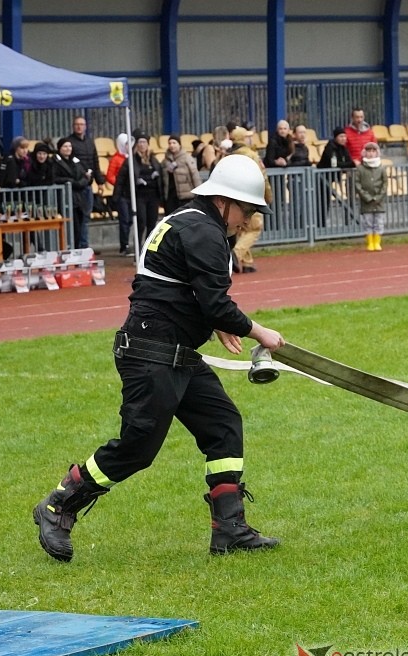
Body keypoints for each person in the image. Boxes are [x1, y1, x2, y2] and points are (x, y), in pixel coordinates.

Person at [32, 154, 284, 562]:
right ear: (224, 202)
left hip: (174, 352)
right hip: (152, 353)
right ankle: (59, 504)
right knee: (138, 446)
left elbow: (181, 291)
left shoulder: (191, 221)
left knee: (222, 425)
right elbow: (215, 303)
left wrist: (214, 319)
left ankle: (229, 528)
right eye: (247, 210)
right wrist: (258, 331)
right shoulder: (203, 230)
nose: (248, 221)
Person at [227, 127, 269, 273]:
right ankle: (236, 254)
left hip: (234, 196)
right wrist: (267, 195)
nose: (251, 139)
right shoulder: (251, 155)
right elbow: (262, 177)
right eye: (248, 137)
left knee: (243, 228)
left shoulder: (229, 156)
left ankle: (247, 263)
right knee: (255, 228)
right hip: (251, 195)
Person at [116, 132, 164, 244]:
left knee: (152, 223)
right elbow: (121, 178)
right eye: (140, 142)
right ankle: (138, 246)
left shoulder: (153, 160)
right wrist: (116, 196)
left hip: (153, 195)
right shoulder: (131, 160)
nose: (142, 145)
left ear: (148, 144)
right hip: (139, 196)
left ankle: (148, 248)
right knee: (141, 222)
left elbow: (161, 175)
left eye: (144, 142)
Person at [53, 138, 93, 248]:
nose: (68, 149)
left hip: (79, 199)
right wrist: (72, 182)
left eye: (69, 146)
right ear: (59, 148)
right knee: (72, 226)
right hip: (65, 199)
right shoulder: (55, 162)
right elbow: (55, 178)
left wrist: (83, 181)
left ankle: (77, 247)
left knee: (79, 225)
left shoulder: (76, 161)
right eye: (65, 146)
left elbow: (85, 175)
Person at [66, 116, 106, 223]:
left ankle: (84, 235)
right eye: (77, 124)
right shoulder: (69, 142)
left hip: (88, 185)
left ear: (85, 127)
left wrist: (100, 181)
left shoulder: (90, 142)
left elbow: (95, 161)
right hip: (76, 186)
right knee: (76, 217)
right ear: (73, 126)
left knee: (86, 215)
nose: (79, 127)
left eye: (81, 124)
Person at [316, 127, 355, 227]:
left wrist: (349, 164)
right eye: (341, 136)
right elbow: (335, 164)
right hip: (322, 178)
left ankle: (322, 225)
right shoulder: (330, 148)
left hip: (331, 179)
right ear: (336, 137)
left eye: (344, 136)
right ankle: (320, 225)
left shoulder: (344, 148)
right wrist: (349, 164)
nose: (343, 139)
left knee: (326, 203)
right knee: (321, 203)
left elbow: (349, 161)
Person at [355, 142, 388, 252]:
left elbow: (385, 183)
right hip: (366, 202)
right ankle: (370, 242)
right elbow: (357, 184)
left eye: (373, 151)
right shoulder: (360, 168)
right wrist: (366, 197)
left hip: (379, 202)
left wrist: (379, 197)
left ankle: (377, 242)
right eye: (368, 151)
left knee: (379, 222)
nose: (371, 153)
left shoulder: (381, 168)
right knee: (368, 222)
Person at [106, 133, 132, 255]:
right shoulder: (116, 159)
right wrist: (119, 184)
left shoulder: (132, 157)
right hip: (122, 194)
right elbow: (110, 175)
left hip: (132, 193)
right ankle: (124, 245)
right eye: (126, 144)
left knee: (131, 219)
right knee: (124, 219)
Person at [161, 136, 202, 214]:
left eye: (174, 143)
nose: (172, 145)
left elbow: (195, 175)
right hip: (170, 196)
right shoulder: (165, 161)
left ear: (179, 144)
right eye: (170, 143)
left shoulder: (187, 158)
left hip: (186, 196)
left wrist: (199, 193)